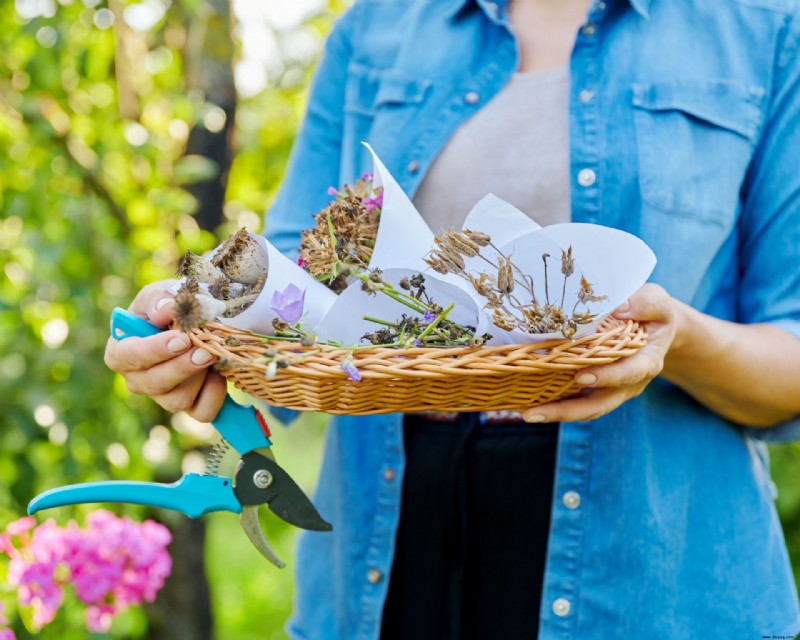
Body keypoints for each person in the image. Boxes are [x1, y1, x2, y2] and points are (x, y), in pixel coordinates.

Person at [105, 0, 800, 637]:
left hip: (652, 573)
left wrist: (674, 338)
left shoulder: (763, 30)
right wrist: (194, 316)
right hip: (389, 545)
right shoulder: (379, 29)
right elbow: (291, 286)